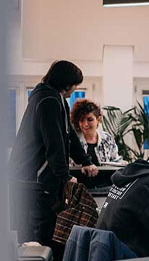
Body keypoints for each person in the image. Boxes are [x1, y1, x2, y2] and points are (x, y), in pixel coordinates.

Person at [9, 60, 98, 246]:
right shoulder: (48, 100)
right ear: (66, 82)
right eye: (75, 84)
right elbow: (54, 142)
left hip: (34, 182)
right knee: (37, 240)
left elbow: (69, 136)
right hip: (33, 183)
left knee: (44, 236)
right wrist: (65, 176)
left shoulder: (56, 99)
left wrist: (85, 161)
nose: (75, 89)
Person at [71, 98, 123, 165]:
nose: (85, 124)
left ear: (98, 119)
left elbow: (115, 160)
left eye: (90, 120)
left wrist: (122, 163)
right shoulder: (73, 139)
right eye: (81, 120)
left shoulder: (107, 138)